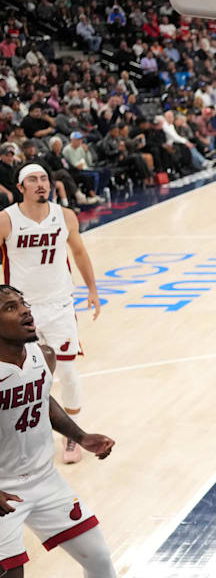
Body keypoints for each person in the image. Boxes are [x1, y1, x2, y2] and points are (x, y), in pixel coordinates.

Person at [0, 285, 117, 577]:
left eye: (23, 303)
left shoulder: (43, 355)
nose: (26, 310)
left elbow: (42, 399)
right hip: (3, 490)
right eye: (10, 308)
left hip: (45, 481)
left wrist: (81, 436)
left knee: (100, 560)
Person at [0, 164, 103, 464]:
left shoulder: (65, 215)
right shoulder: (7, 220)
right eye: (33, 179)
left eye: (44, 178)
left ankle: (71, 436)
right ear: (21, 187)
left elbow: (80, 252)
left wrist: (92, 290)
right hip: (21, 311)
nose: (40, 184)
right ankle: (22, 441)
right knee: (21, 379)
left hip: (59, 306)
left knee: (68, 373)